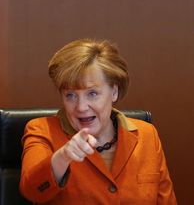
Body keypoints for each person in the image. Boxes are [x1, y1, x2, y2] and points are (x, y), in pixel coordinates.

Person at [20, 39, 176, 204]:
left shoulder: (147, 135)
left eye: (92, 93)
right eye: (70, 95)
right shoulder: (41, 130)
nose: (81, 107)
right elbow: (32, 191)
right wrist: (63, 156)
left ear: (114, 92)